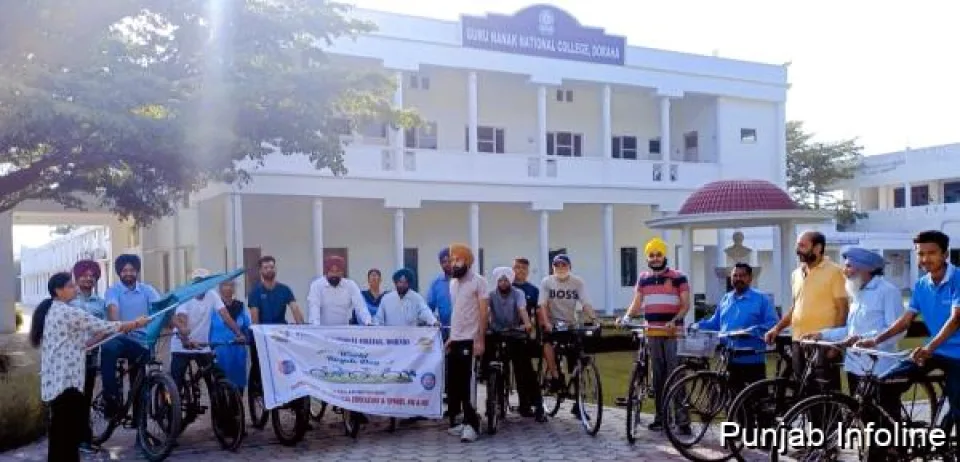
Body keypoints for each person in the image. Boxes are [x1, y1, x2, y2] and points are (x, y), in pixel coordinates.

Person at [31, 272, 147, 462]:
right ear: (58, 291)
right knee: (68, 432)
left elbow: (74, 340)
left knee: (59, 430)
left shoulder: (51, 310)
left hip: (55, 381)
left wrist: (88, 343)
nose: (75, 289)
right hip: (67, 381)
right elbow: (103, 326)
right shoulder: (67, 312)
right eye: (70, 286)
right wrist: (136, 323)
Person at [805, 247, 904, 459]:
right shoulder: (857, 292)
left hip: (879, 369)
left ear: (866, 269)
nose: (844, 270)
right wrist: (822, 334)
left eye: (849, 266)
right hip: (855, 367)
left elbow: (897, 331)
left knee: (884, 424)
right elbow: (849, 331)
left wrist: (866, 339)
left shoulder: (887, 291)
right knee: (865, 421)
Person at [859, 230, 960, 425]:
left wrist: (929, 348)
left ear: (945, 254)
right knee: (885, 383)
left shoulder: (958, 278)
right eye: (920, 253)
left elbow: (956, 319)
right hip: (935, 351)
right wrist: (876, 340)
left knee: (958, 407)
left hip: (956, 355)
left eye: (931, 253)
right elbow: (906, 320)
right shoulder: (921, 284)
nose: (925, 259)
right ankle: (895, 436)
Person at [620, 237, 690, 432]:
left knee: (676, 375)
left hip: (674, 333)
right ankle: (661, 418)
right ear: (647, 258)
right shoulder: (643, 278)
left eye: (659, 254)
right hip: (652, 332)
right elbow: (637, 303)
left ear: (664, 255)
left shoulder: (678, 277)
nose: (655, 258)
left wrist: (674, 320)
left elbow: (686, 305)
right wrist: (626, 317)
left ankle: (683, 421)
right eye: (651, 255)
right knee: (658, 376)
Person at [765, 230, 848, 392]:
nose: (798, 250)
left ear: (818, 248)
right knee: (804, 392)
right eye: (798, 246)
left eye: (802, 246)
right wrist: (776, 329)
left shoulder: (835, 272)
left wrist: (836, 344)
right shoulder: (796, 274)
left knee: (826, 393)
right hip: (799, 341)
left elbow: (843, 310)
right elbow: (795, 308)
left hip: (823, 343)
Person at [694, 263, 778, 394]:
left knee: (756, 400)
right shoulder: (726, 298)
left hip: (752, 359)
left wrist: (749, 332)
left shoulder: (761, 299)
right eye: (735, 275)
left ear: (750, 278)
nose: (738, 278)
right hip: (729, 359)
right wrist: (697, 326)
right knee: (731, 400)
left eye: (742, 275)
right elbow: (715, 323)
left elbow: (772, 323)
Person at [100, 254, 162, 418]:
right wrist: (118, 324)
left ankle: (139, 421)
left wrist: (177, 326)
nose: (128, 273)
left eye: (132, 270)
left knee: (140, 381)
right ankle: (111, 397)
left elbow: (161, 308)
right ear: (119, 272)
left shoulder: (148, 290)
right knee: (108, 348)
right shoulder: (113, 291)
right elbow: (113, 309)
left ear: (137, 271)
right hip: (121, 338)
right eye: (124, 270)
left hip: (141, 342)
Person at [538, 253, 598, 419]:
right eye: (557, 265)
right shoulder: (547, 282)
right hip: (553, 324)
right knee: (547, 342)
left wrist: (594, 319)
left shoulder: (577, 282)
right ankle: (555, 377)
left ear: (569, 267)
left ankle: (578, 403)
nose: (560, 268)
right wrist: (547, 323)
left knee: (578, 358)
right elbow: (542, 305)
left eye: (564, 265)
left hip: (570, 324)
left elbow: (585, 303)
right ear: (553, 267)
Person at [170, 269, 247, 393]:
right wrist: (186, 341)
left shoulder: (212, 295)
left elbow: (225, 316)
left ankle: (217, 403)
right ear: (193, 282)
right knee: (175, 384)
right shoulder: (186, 297)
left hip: (202, 346)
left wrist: (239, 333)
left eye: (204, 281)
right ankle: (171, 404)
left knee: (213, 379)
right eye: (198, 281)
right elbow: (182, 322)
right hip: (182, 346)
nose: (201, 285)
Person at [486, 266, 545, 422]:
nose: (503, 283)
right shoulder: (491, 295)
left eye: (506, 280)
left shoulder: (518, 293)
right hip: (497, 332)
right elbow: (487, 311)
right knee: (491, 365)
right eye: (500, 280)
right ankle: (493, 403)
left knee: (524, 369)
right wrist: (485, 325)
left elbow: (522, 309)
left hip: (515, 332)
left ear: (510, 281)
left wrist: (527, 324)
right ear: (497, 282)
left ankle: (535, 405)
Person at [445, 243, 488, 443]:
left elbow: (483, 312)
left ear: (468, 261)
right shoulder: (453, 283)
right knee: (454, 384)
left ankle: (473, 425)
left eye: (458, 259)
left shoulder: (479, 282)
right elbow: (458, 312)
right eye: (452, 259)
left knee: (468, 384)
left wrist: (480, 339)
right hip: (456, 339)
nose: (454, 263)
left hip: (471, 340)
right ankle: (462, 422)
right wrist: (451, 337)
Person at [248, 255, 303, 395]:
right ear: (260, 271)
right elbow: (254, 317)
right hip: (262, 335)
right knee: (260, 368)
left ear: (275, 269)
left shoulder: (285, 289)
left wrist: (302, 327)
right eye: (266, 267)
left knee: (288, 365)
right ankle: (260, 392)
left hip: (280, 334)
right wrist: (259, 335)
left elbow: (295, 308)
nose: (269, 270)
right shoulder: (255, 292)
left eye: (271, 267)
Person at [69, 260, 107, 454]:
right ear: (76, 277)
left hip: (90, 356)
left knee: (85, 398)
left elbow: (104, 328)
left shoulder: (100, 303)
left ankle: (84, 439)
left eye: (92, 276)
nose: (88, 278)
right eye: (84, 275)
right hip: (69, 358)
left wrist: (91, 343)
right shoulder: (67, 300)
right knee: (70, 398)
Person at [511, 257, 541, 416]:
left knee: (525, 367)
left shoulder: (533, 290)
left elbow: (537, 313)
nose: (520, 270)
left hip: (525, 334)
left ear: (528, 271)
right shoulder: (506, 287)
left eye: (523, 268)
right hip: (507, 332)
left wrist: (536, 331)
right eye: (517, 267)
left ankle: (531, 402)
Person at [211, 279, 252, 392]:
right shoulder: (213, 308)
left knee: (238, 387)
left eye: (231, 285)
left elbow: (247, 327)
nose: (228, 288)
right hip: (219, 350)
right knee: (220, 385)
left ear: (234, 288)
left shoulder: (240, 307)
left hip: (237, 352)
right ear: (220, 288)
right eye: (225, 285)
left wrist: (246, 338)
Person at [307, 256, 372, 326]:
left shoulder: (350, 285)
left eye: (337, 271)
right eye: (332, 271)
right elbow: (314, 308)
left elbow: (360, 306)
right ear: (326, 272)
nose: (334, 275)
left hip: (344, 330)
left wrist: (368, 322)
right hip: (322, 330)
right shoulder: (317, 285)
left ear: (342, 272)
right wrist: (315, 327)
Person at [426, 248, 454, 340]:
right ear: (441, 264)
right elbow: (429, 307)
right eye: (444, 262)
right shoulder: (436, 283)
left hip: (463, 330)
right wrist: (434, 321)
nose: (447, 264)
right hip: (444, 330)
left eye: (450, 261)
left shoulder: (462, 281)